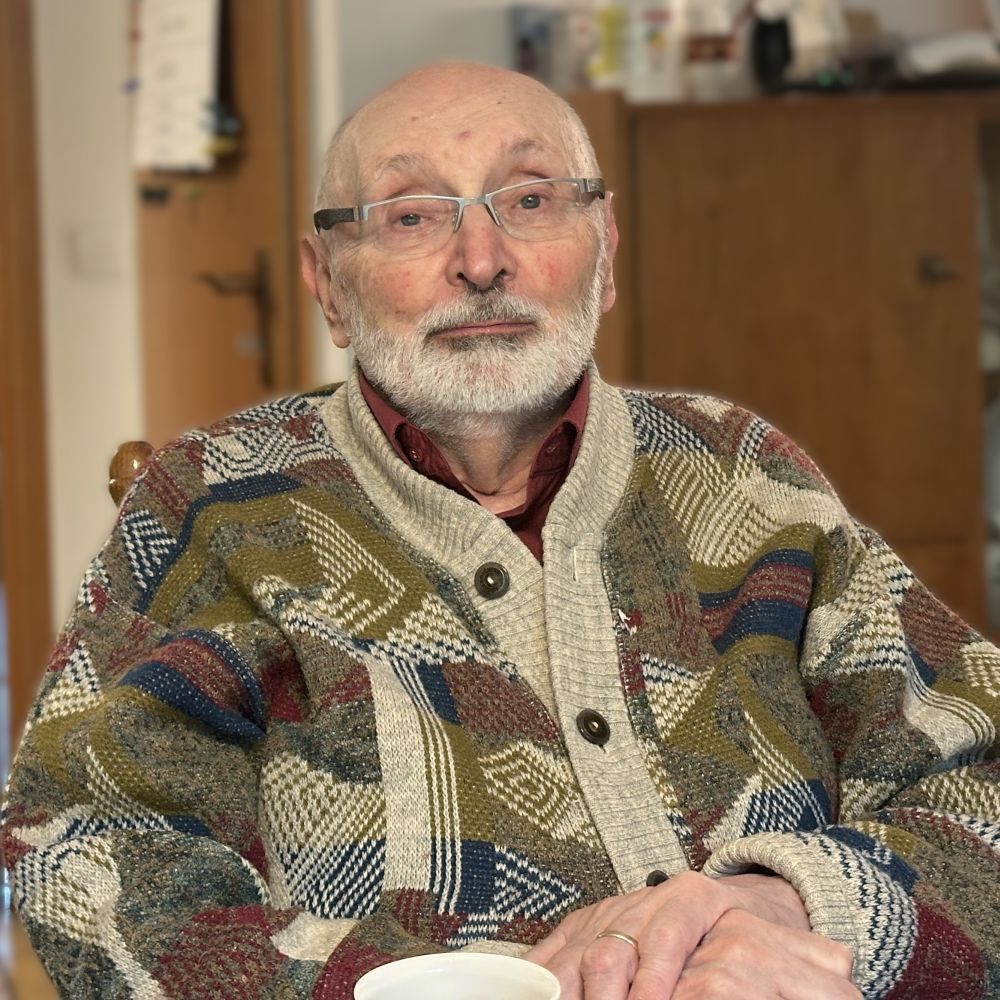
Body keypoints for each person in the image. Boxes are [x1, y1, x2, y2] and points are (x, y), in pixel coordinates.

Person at [3, 60, 998, 1000]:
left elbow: (978, 777)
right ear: (329, 285)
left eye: (530, 200)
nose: (481, 261)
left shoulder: (747, 474)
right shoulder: (213, 507)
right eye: (410, 216)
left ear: (605, 252)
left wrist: (790, 900)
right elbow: (85, 850)